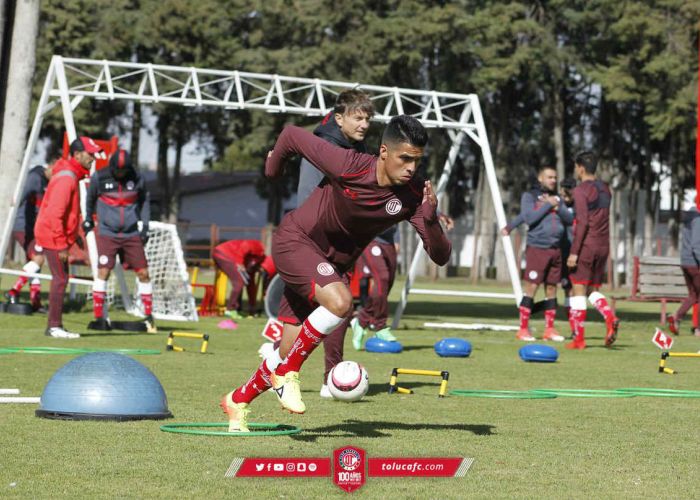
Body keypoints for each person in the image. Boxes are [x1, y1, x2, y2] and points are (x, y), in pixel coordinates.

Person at [220, 115, 451, 432]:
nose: (412, 168)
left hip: (329, 266)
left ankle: (237, 400)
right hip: (295, 243)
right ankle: (289, 373)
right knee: (341, 304)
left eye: (417, 160)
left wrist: (432, 219)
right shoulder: (349, 163)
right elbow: (290, 135)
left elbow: (440, 256)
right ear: (384, 151)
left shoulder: (413, 196)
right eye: (405, 158)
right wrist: (273, 170)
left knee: (286, 349)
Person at [294, 89, 374, 398]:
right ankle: (294, 369)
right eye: (358, 117)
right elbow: (310, 196)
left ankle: (322, 375)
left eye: (368, 118)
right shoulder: (323, 147)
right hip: (315, 237)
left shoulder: (358, 148)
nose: (364, 123)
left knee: (332, 307)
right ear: (339, 118)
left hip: (341, 239)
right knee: (332, 306)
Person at [34, 136, 103, 338]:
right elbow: (55, 213)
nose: (93, 159)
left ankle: (55, 326)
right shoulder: (67, 178)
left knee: (61, 278)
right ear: (77, 154)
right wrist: (62, 244)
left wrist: (75, 234)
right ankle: (54, 327)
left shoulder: (72, 175)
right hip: (52, 234)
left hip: (54, 233)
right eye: (90, 155)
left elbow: (69, 213)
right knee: (60, 278)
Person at [83, 149, 154, 332]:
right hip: (108, 233)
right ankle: (99, 317)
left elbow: (145, 200)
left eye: (124, 171)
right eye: (118, 171)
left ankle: (148, 316)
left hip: (131, 234)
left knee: (144, 273)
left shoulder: (137, 178)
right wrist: (88, 218)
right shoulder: (100, 177)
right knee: (103, 272)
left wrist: (144, 226)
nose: (121, 174)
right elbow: (90, 199)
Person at [510, 165, 573, 342]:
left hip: (556, 250)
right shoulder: (529, 196)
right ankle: (523, 329)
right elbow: (529, 218)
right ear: (540, 178)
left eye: (554, 177)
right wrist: (547, 206)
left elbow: (569, 219)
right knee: (532, 287)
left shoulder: (558, 198)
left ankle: (549, 330)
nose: (553, 180)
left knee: (552, 288)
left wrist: (557, 205)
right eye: (549, 177)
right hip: (537, 248)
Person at [565, 151, 619, 350]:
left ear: (580, 167)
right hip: (603, 245)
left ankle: (578, 340)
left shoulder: (580, 191)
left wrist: (574, 252)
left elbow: (582, 223)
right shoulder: (606, 189)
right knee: (592, 290)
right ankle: (609, 316)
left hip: (587, 245)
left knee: (578, 289)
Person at [5, 162, 54, 310]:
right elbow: (19, 195)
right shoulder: (35, 177)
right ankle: (13, 291)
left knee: (33, 264)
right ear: (51, 167)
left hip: (34, 228)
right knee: (38, 258)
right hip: (23, 226)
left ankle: (36, 302)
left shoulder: (45, 182)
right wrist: (16, 201)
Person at [667, 202, 700, 336]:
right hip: (695, 263)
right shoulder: (698, 219)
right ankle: (698, 329)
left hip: (685, 262)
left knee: (693, 295)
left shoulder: (689, 218)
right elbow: (696, 245)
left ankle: (676, 317)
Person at [212, 239, 266, 319]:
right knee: (239, 282)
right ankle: (230, 309)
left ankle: (238, 309)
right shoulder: (258, 248)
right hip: (224, 253)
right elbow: (246, 245)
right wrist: (240, 262)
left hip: (222, 253)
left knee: (243, 281)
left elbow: (251, 286)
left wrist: (252, 306)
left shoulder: (253, 264)